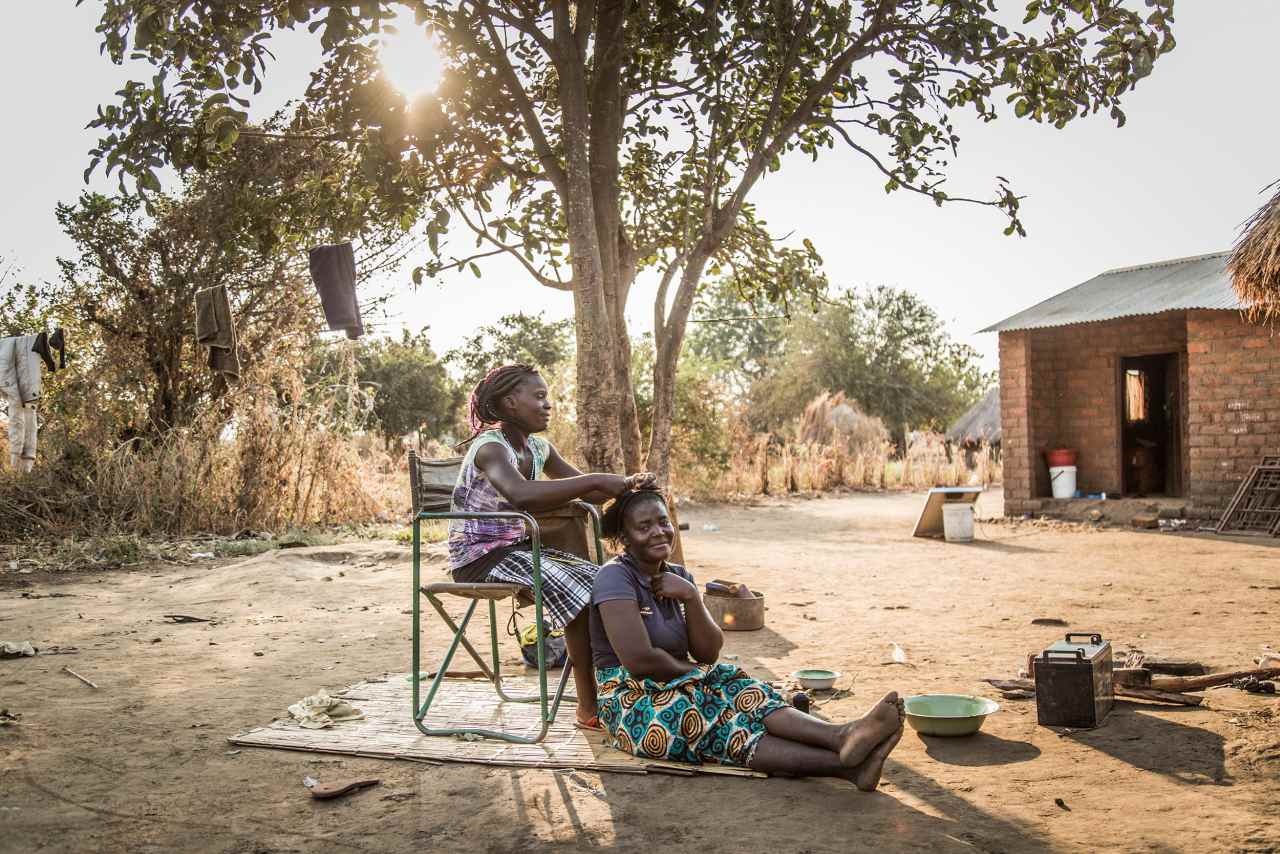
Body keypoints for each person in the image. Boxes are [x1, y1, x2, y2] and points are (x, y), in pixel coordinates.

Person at [589, 489, 905, 788]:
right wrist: (699, 677)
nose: (658, 532)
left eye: (663, 521)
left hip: (679, 679)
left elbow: (708, 652)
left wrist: (690, 597)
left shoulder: (678, 577)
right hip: (629, 699)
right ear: (624, 538)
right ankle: (848, 767)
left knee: (742, 686)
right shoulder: (615, 576)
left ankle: (841, 735)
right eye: (644, 527)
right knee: (702, 715)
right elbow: (638, 659)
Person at [449, 364, 655, 730]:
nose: (548, 405)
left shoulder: (540, 449)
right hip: (479, 558)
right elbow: (521, 493)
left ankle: (616, 689)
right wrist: (597, 480)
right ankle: (588, 706)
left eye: (547, 397)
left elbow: (586, 489)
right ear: (511, 403)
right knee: (580, 590)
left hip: (518, 551)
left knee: (605, 582)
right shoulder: (491, 449)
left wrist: (626, 485)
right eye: (539, 397)